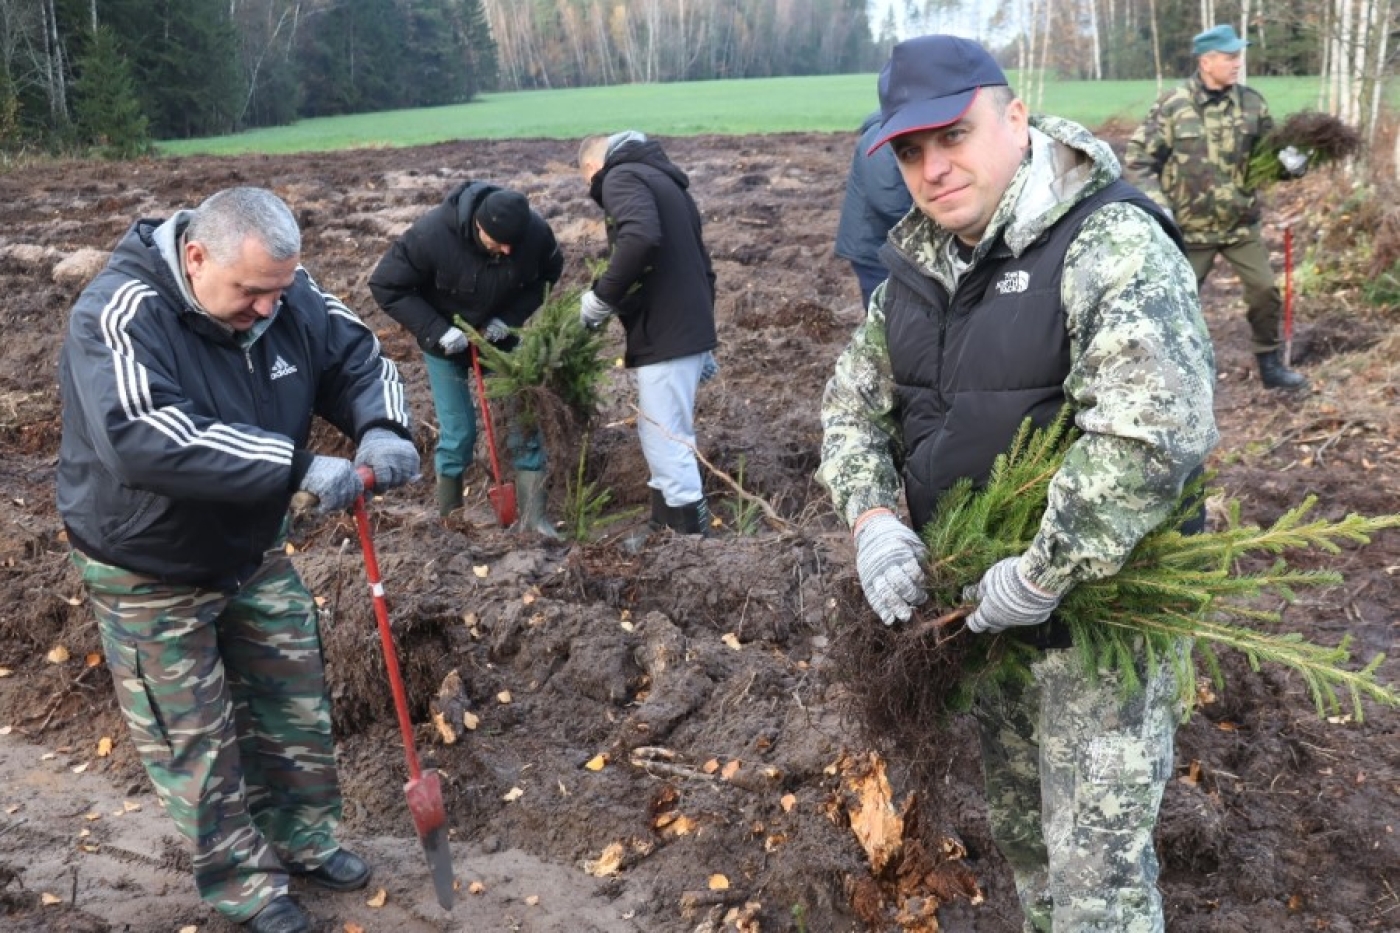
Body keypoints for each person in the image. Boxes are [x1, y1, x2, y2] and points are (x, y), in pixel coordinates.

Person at [816, 35, 1219, 932]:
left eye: (952, 136)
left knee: (1098, 888)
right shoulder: (914, 269)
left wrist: (1043, 569)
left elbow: (1153, 434)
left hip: (1093, 633)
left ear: (1015, 117)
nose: (932, 168)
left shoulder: (1109, 240)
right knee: (1031, 850)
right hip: (987, 625)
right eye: (910, 151)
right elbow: (850, 409)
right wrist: (875, 517)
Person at [57, 187, 420, 933]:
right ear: (196, 257)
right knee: (194, 739)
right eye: (252, 292)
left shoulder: (290, 294)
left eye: (278, 291)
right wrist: (296, 467)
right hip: (147, 563)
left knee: (291, 703)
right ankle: (245, 884)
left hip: (249, 550)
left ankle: (303, 837)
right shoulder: (119, 312)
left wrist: (381, 425)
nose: (267, 310)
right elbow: (144, 436)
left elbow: (356, 356)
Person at [369, 182, 565, 531]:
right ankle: (451, 520)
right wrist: (437, 330)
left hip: (499, 340)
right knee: (458, 432)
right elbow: (386, 284)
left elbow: (549, 274)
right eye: (497, 242)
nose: (506, 251)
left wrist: (510, 319)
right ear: (477, 225)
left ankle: (535, 518)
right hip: (445, 344)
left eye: (512, 245)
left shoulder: (534, 233)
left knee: (522, 421)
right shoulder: (431, 235)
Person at [1124, 23, 1309, 390]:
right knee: (1176, 301)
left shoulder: (1252, 103)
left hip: (1241, 224)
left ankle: (1270, 365)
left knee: (1265, 291)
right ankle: (1171, 373)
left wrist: (1292, 165)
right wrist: (1161, 207)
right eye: (1230, 57)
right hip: (1189, 231)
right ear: (1206, 61)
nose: (1238, 63)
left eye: (1238, 55)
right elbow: (1138, 161)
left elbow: (1268, 160)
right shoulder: (1174, 105)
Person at [578, 130, 718, 535]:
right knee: (661, 430)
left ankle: (691, 543)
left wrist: (601, 298)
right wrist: (703, 339)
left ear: (592, 168)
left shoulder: (621, 178)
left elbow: (640, 237)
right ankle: (663, 528)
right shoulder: (666, 181)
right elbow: (701, 262)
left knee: (665, 436)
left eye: (589, 183)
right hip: (682, 328)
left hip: (666, 329)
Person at [835, 109, 914, 309]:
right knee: (884, 311)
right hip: (874, 245)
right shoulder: (881, 137)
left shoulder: (891, 132)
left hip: (883, 241)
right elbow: (888, 199)